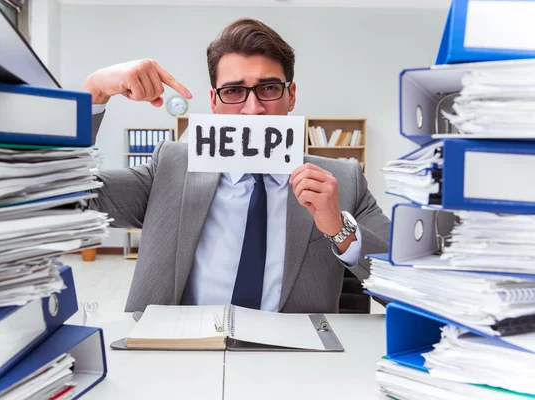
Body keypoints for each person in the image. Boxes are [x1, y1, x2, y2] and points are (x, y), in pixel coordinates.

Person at [83, 18, 390, 313]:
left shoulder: (343, 180)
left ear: (291, 96)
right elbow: (67, 199)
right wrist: (94, 93)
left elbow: (410, 285)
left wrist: (340, 230)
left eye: (269, 88)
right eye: (233, 91)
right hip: (181, 352)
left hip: (294, 357)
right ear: (214, 102)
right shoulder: (170, 168)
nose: (253, 109)